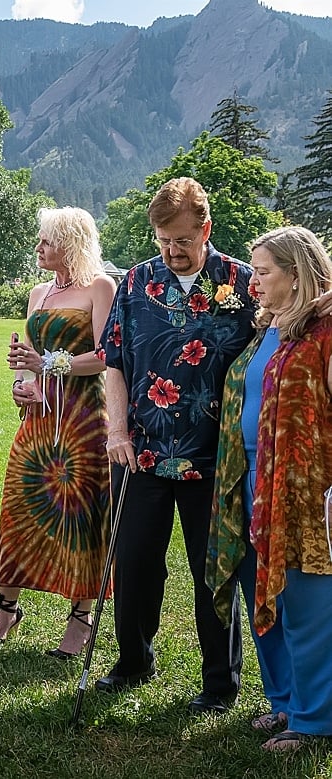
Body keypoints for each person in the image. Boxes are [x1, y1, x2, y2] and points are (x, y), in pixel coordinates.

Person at [98, 177, 256, 713]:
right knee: (136, 560)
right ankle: (134, 658)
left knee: (212, 569)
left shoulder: (243, 284)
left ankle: (220, 683)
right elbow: (114, 362)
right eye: (162, 241)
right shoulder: (137, 282)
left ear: (205, 229)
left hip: (214, 457)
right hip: (138, 452)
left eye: (182, 241)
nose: (171, 252)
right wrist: (116, 431)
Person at [207, 226, 332, 751]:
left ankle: (313, 719)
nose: (252, 282)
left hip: (304, 489)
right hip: (253, 480)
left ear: (297, 272)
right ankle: (282, 701)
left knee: (305, 605)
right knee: (265, 597)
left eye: (263, 272)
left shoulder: (325, 331)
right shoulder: (272, 328)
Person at [0, 207, 116, 656]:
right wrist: (24, 384)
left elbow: (105, 356)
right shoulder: (38, 292)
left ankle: (80, 617)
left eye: (46, 241)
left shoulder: (100, 287)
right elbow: (29, 359)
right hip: (38, 420)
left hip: (82, 418)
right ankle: (8, 607)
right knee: (20, 507)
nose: (37, 248)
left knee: (78, 513)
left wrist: (51, 366)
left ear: (71, 242)